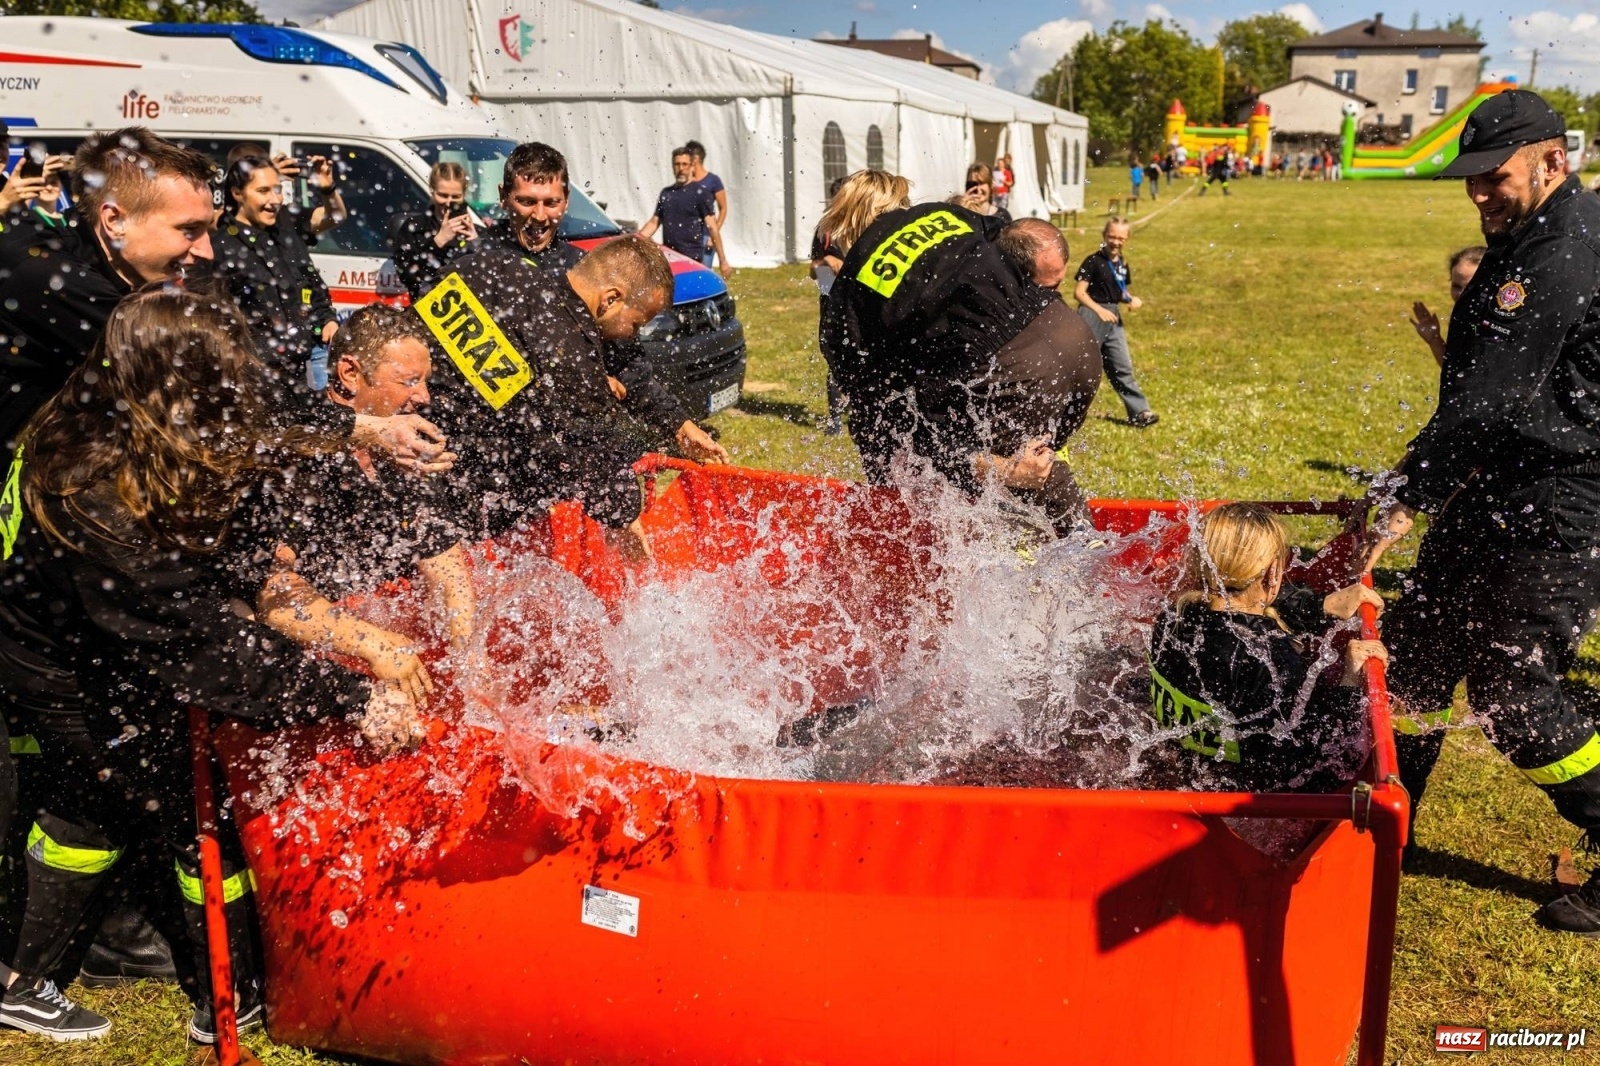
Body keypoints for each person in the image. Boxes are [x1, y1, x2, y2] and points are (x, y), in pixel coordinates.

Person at [0, 286, 420, 1043]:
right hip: (51, 654)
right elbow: (209, 657)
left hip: (103, 627)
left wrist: (358, 440)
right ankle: (223, 993)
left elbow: (259, 429)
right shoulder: (97, 491)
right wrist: (349, 696)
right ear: (174, 388)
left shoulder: (136, 399)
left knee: (100, 798)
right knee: (170, 796)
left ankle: (43, 970)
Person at [1369, 91, 1600, 935]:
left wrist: (1406, 496)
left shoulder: (1563, 251)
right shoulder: (1526, 236)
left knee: (1514, 693)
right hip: (1491, 489)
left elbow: (1488, 401)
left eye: (1493, 178)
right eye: (1468, 180)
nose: (1477, 196)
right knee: (1417, 663)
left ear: (1553, 160)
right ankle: (1387, 833)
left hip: (1554, 502)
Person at [0, 127, 447, 468]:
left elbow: (239, 384)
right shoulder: (46, 277)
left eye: (206, 229)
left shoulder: (154, 272)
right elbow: (216, 399)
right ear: (114, 220)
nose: (207, 251)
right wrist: (370, 429)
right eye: (188, 231)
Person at [820, 175, 1101, 535]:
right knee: (1036, 456)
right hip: (1074, 336)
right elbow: (1015, 240)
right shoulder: (940, 214)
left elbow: (863, 392)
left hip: (1012, 366)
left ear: (843, 221)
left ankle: (1006, 524)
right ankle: (1080, 536)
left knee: (925, 445)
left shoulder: (852, 282)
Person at [237, 305, 475, 700]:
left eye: (426, 381)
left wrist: (468, 665)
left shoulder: (405, 450)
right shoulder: (296, 455)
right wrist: (373, 644)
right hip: (311, 667)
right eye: (410, 381)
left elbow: (448, 570)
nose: (424, 397)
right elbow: (272, 594)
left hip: (378, 638)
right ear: (350, 373)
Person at [413, 234, 673, 545]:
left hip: (393, 445)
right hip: (449, 502)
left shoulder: (490, 265)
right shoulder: (576, 361)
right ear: (611, 299)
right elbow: (601, 475)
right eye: (636, 323)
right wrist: (629, 514)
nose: (631, 335)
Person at [485, 142, 726, 463]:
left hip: (567, 448)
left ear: (566, 201)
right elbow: (482, 366)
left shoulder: (582, 272)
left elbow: (628, 365)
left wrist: (679, 425)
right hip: (493, 446)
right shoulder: (474, 266)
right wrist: (576, 382)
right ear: (504, 196)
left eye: (551, 203)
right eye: (526, 201)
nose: (539, 216)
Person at [1148, 504, 1386, 793]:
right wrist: (1349, 680)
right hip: (1249, 809)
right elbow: (1322, 757)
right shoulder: (1269, 658)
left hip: (1186, 779)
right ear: (1273, 572)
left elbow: (1239, 599)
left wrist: (1319, 606)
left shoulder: (1172, 617)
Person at [211, 154, 340, 395]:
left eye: (278, 189)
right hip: (253, 378)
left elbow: (311, 282)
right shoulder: (221, 248)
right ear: (238, 193)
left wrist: (327, 318)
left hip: (300, 370)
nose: (275, 199)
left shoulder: (285, 232)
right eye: (263, 191)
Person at [1073, 218, 1157, 428]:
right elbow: (1079, 293)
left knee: (1122, 366)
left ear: (1127, 239)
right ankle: (1063, 410)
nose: (1116, 241)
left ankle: (1140, 413)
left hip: (1113, 317)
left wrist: (1130, 299)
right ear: (1104, 235)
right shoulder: (1092, 261)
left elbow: (1119, 291)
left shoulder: (1123, 264)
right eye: (1112, 236)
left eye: (1120, 238)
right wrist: (1099, 310)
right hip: (1092, 314)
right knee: (1081, 367)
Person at [390, 160, 479, 302]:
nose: (449, 202)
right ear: (432, 191)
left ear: (464, 194)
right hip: (426, 310)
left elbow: (487, 277)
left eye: (456, 196)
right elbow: (407, 276)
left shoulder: (477, 231)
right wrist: (438, 242)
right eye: (443, 195)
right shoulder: (415, 228)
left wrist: (476, 243)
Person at [639, 147, 731, 279]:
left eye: (684, 164)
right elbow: (654, 222)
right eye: (677, 164)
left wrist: (723, 260)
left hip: (692, 259)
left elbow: (712, 226)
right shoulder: (666, 193)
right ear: (672, 166)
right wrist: (637, 239)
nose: (681, 168)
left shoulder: (700, 193)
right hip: (669, 259)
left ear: (692, 166)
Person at [811, 174, 851, 435]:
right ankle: (835, 419)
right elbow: (811, 270)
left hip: (860, 303)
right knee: (836, 358)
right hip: (832, 301)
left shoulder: (867, 227)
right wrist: (826, 262)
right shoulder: (824, 230)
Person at [1409, 246, 1485, 367]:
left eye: (1471, 287)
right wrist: (1434, 339)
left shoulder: (1501, 323)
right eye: (1456, 286)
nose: (1461, 294)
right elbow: (1454, 369)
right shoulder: (1463, 318)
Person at [683, 139, 729, 264]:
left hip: (705, 235)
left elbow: (723, 208)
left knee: (704, 272)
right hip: (687, 237)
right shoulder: (686, 181)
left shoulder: (713, 181)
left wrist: (713, 234)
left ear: (695, 158)